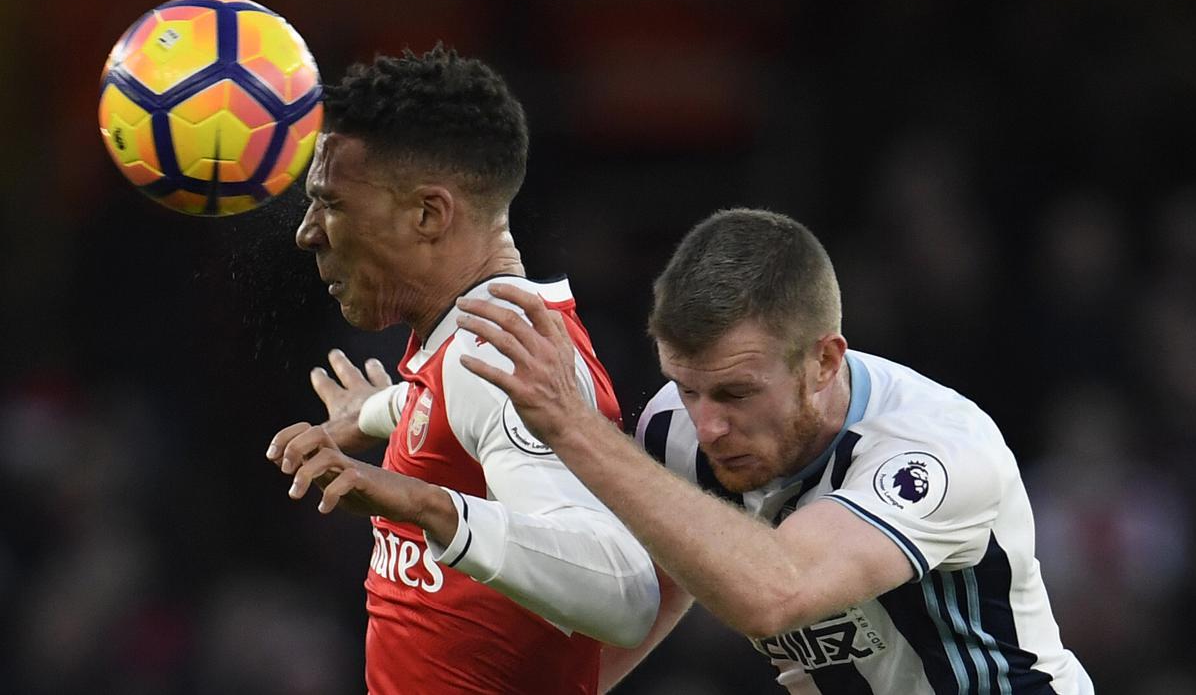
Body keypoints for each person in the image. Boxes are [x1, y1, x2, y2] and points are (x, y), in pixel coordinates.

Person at [455, 208, 1096, 694]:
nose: (707, 427)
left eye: (735, 393)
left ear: (823, 361)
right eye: (686, 388)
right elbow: (657, 589)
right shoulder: (676, 430)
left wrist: (573, 425)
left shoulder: (935, 453)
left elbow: (777, 591)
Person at [263, 45, 659, 695]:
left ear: (428, 214)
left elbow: (624, 593)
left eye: (329, 202)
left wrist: (415, 501)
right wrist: (375, 411)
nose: (308, 232)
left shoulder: (495, 357)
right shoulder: (473, 341)